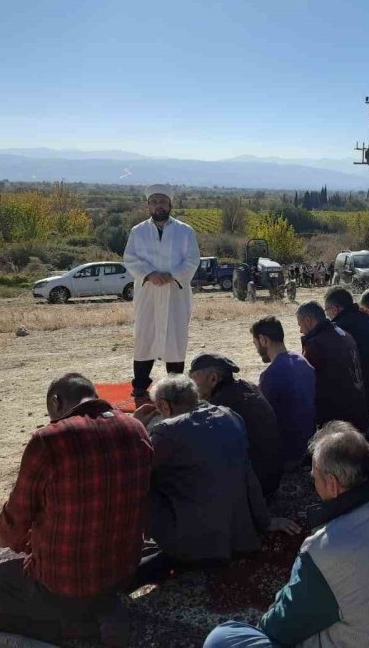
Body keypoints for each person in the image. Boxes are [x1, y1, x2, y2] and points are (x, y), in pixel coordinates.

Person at [203, 422, 369, 648]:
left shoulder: (326, 550)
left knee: (222, 638)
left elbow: (280, 628)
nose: (314, 483)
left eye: (315, 477)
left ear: (331, 484)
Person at [0, 374, 153, 646]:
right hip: (121, 572)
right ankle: (99, 609)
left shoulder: (49, 441)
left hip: (64, 582)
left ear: (56, 401)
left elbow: (13, 526)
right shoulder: (136, 428)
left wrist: (3, 533)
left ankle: (76, 626)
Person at [131, 376, 299, 585]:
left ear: (164, 406)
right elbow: (248, 475)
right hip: (239, 536)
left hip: (195, 542)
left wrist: (136, 426)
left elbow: (134, 468)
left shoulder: (167, 432)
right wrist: (264, 521)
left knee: (140, 483)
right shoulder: (230, 416)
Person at [123, 185, 201, 403]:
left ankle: (175, 388)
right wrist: (149, 274)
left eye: (163, 201)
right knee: (144, 337)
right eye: (154, 201)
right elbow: (129, 259)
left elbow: (193, 260)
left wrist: (172, 275)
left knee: (175, 339)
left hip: (175, 292)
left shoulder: (185, 231)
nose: (159, 205)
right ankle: (140, 387)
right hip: (148, 292)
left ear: (170, 205)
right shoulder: (137, 231)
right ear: (148, 205)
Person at [187, 352, 284, 497]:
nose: (192, 386)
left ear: (213, 378)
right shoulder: (248, 388)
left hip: (255, 488)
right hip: (272, 478)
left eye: (194, 379)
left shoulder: (219, 409)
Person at [251, 316, 316, 468]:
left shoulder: (270, 375)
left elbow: (262, 419)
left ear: (263, 340)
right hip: (309, 443)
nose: (256, 350)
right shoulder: (302, 361)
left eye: (255, 344)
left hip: (288, 452)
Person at [297, 301, 368, 432]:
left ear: (308, 320)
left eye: (300, 325)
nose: (300, 331)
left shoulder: (316, 345)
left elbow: (306, 386)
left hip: (337, 423)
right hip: (358, 413)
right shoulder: (344, 334)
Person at [323, 286, 369, 410]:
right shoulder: (366, 316)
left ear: (335, 309)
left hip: (362, 394)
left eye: (327, 310)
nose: (327, 315)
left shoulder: (342, 327)